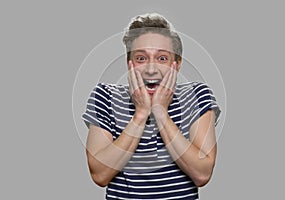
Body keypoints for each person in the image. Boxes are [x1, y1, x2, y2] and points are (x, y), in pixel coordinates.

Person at [82, 13, 221, 200]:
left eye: (162, 58)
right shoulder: (105, 96)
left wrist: (160, 112)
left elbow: (202, 174)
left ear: (177, 64)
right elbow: (100, 175)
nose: (151, 69)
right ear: (128, 63)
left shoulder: (197, 95)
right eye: (141, 58)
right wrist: (141, 114)